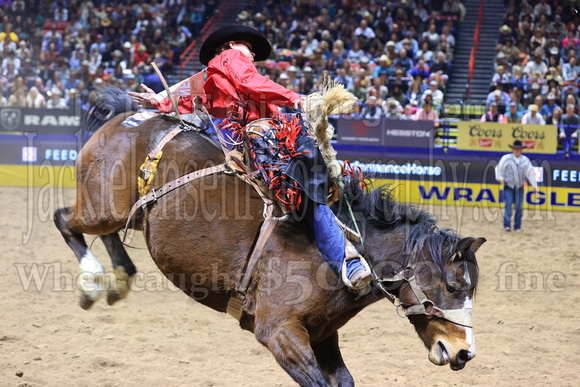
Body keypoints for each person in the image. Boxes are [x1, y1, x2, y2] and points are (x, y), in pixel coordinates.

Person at [129, 25, 373, 291]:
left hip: (249, 145)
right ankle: (347, 261)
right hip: (267, 140)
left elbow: (185, 100)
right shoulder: (230, 59)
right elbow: (250, 82)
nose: (253, 54)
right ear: (232, 45)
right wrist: (297, 99)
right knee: (313, 188)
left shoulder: (211, 76)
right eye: (250, 48)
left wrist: (160, 102)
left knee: (309, 190)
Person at [495, 140, 538, 232]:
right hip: (508, 185)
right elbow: (498, 169)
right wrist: (500, 178)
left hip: (520, 186)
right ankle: (507, 225)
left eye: (518, 149)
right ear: (513, 149)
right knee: (508, 205)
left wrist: (534, 186)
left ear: (521, 150)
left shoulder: (525, 160)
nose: (517, 150)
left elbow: (530, 173)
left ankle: (517, 226)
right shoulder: (506, 158)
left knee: (519, 206)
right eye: (515, 149)